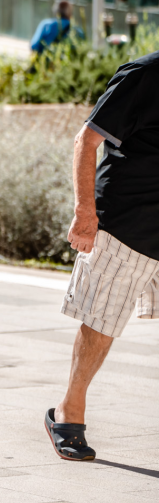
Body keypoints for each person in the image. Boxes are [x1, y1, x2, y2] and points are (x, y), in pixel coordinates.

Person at [47, 50, 159, 461]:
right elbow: (87, 140)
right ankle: (68, 410)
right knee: (102, 322)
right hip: (126, 221)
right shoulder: (145, 75)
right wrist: (84, 212)